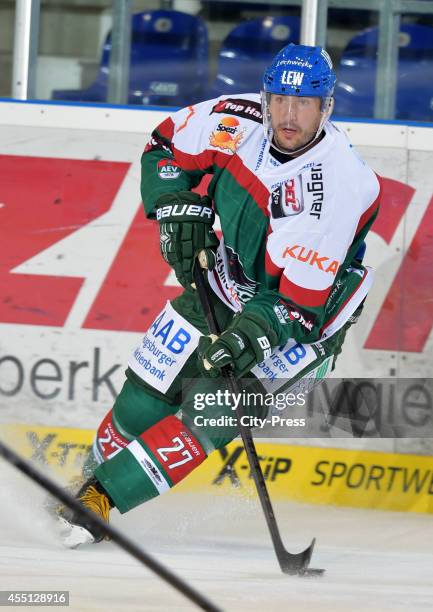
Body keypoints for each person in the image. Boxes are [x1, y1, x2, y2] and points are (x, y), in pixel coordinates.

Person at [57, 43, 381, 547]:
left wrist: (248, 337)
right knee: (145, 395)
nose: (288, 115)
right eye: (278, 99)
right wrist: (172, 207)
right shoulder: (234, 119)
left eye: (304, 103)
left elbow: (295, 304)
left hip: (305, 323)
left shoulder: (336, 187)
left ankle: (100, 500)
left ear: (327, 107)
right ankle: (80, 486)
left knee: (208, 409)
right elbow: (164, 148)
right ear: (264, 97)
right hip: (225, 277)